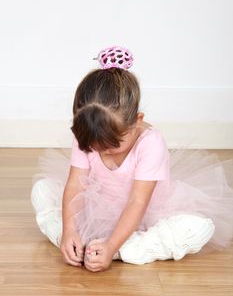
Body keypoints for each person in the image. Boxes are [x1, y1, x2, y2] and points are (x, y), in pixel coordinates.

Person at [31, 46, 233, 272]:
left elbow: (137, 202)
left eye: (112, 145)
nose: (104, 152)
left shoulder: (150, 143)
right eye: (96, 147)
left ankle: (123, 249)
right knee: (42, 190)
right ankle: (72, 241)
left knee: (199, 228)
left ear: (137, 121)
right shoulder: (85, 134)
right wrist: (69, 229)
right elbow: (76, 185)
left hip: (146, 213)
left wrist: (112, 246)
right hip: (96, 208)